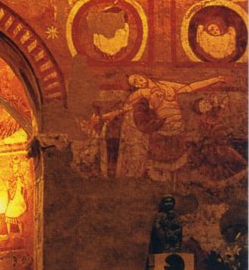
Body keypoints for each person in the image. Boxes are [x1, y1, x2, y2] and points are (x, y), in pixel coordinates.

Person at [86, 73, 227, 186]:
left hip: (179, 129)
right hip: (164, 130)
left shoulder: (167, 86)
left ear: (143, 75)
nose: (139, 83)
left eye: (138, 79)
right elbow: (123, 109)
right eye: (135, 83)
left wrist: (216, 79)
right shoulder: (141, 93)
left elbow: (190, 87)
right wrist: (101, 118)